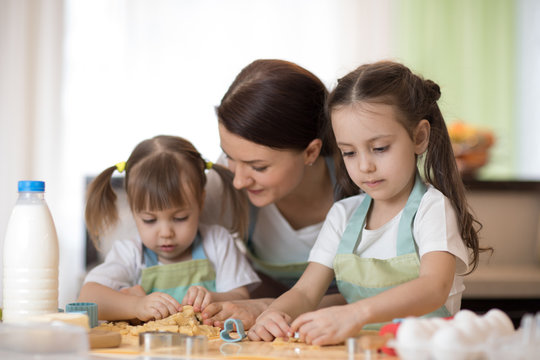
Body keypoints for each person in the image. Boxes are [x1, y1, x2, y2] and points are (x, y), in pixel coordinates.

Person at [248, 61, 490, 345]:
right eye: (349, 152)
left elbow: (433, 288)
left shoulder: (431, 209)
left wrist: (354, 314)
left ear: (419, 137)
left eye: (379, 148)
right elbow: (305, 293)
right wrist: (274, 314)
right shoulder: (342, 215)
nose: (365, 166)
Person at [199, 59, 352, 328]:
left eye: (258, 166)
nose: (238, 181)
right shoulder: (225, 183)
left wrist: (268, 307)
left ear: (310, 152)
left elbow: (383, 294)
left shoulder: (361, 183)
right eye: (229, 156)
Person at [78, 135, 260, 322]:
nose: (166, 233)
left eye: (180, 218)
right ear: (134, 211)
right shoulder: (131, 253)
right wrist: (136, 306)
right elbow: (88, 299)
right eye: (149, 220)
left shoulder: (217, 242)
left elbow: (241, 298)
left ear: (200, 201)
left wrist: (213, 299)